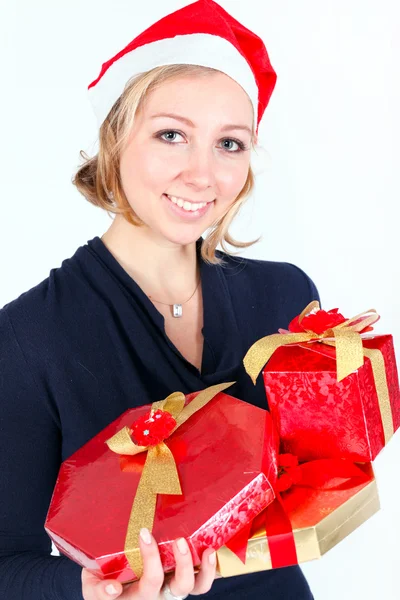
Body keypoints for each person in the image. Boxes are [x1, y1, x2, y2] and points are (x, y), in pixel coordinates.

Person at [0, 1, 319, 599]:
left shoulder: (287, 296)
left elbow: (308, 487)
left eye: (230, 143)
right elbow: (6, 564)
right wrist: (90, 590)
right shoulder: (28, 337)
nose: (202, 175)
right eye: (171, 135)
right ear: (116, 140)